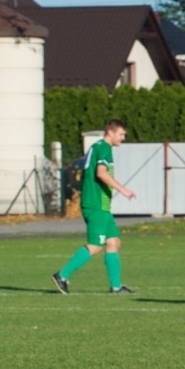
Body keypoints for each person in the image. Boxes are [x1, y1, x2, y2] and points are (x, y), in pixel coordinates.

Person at [53, 118, 138, 294]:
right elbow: (101, 173)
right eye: (121, 134)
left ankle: (116, 286)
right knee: (95, 246)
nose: (123, 138)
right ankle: (62, 275)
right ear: (111, 133)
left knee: (113, 242)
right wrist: (123, 190)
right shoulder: (104, 149)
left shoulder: (97, 147)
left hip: (101, 206)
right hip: (96, 204)